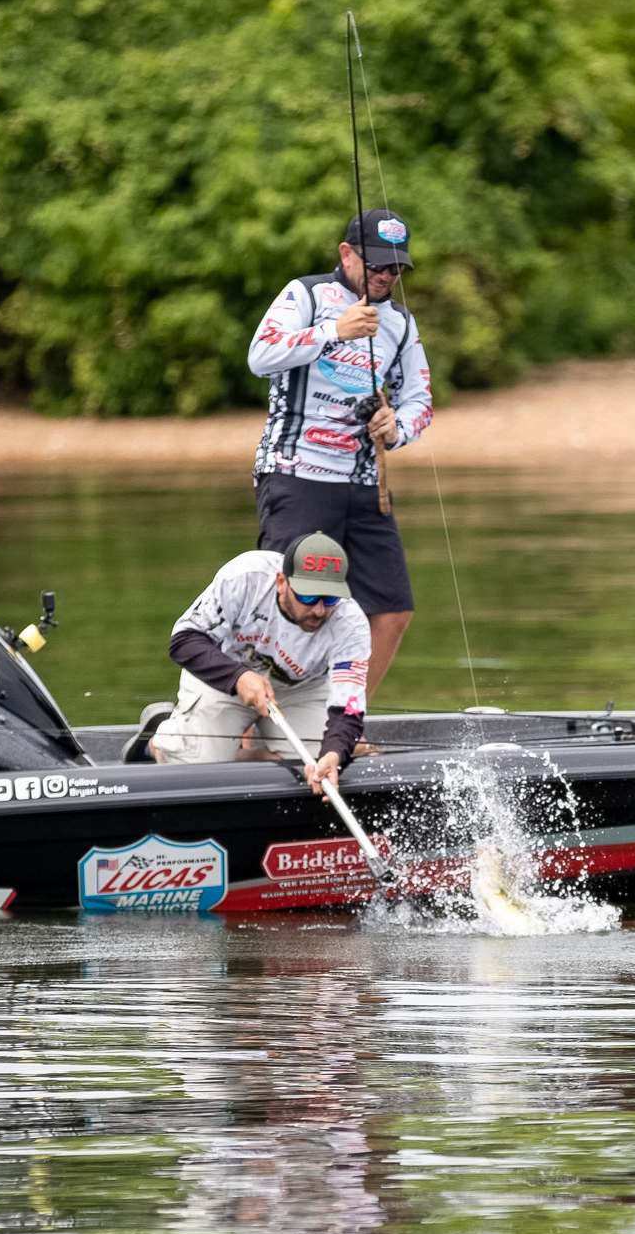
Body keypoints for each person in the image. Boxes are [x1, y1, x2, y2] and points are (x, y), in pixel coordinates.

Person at [247, 208, 432, 702]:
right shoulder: (305, 295)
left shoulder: (400, 322)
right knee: (294, 603)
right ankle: (263, 723)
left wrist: (396, 430)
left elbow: (420, 399)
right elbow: (260, 357)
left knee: (393, 609)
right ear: (347, 254)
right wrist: (333, 331)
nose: (387, 277)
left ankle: (345, 718)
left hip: (365, 484)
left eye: (397, 269)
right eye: (378, 265)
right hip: (296, 475)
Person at [147, 532, 369, 796]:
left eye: (329, 599)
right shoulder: (243, 578)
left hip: (300, 690)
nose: (319, 611)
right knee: (199, 769)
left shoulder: (352, 624)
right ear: (281, 582)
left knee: (329, 759)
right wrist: (240, 677)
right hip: (223, 676)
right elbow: (184, 641)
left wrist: (333, 755)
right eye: (308, 597)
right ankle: (158, 742)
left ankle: (243, 756)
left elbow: (349, 707)